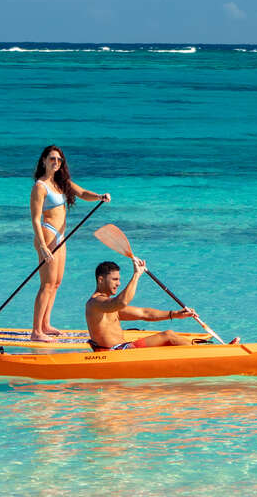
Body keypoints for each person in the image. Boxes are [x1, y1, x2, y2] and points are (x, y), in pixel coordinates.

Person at [30, 145, 109, 341]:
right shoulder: (40, 186)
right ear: (44, 161)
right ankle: (36, 332)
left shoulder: (61, 182)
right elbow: (35, 219)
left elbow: (82, 193)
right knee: (46, 284)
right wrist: (42, 246)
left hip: (61, 236)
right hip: (48, 236)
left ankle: (46, 324)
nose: (56, 162)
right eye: (52, 159)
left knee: (56, 283)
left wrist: (99, 196)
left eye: (59, 160)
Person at [85, 258, 198, 350]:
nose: (118, 283)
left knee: (168, 341)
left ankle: (197, 353)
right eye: (115, 279)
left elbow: (144, 313)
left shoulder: (108, 306)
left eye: (119, 279)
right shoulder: (95, 303)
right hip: (115, 352)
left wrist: (175, 314)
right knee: (168, 335)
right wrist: (136, 275)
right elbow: (121, 302)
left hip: (124, 349)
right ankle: (201, 353)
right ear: (101, 280)